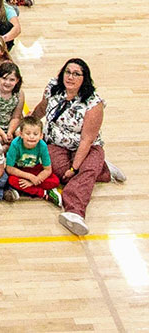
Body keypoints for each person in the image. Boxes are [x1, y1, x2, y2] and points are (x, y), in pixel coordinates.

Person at [32, 59, 126, 236]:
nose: (70, 77)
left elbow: (86, 140)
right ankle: (103, 169)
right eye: (68, 72)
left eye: (76, 74)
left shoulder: (93, 103)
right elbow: (42, 108)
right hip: (56, 143)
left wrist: (75, 167)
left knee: (84, 173)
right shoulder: (53, 87)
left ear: (85, 78)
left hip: (85, 147)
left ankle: (74, 213)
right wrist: (28, 122)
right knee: (60, 172)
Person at [4, 116, 61, 205]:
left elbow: (47, 169)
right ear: (21, 134)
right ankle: (44, 193)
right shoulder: (15, 144)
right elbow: (9, 168)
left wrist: (35, 180)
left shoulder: (42, 146)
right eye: (28, 133)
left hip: (34, 168)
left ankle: (28, 189)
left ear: (41, 136)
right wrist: (30, 177)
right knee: (11, 180)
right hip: (20, 170)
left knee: (55, 180)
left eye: (35, 134)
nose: (31, 137)